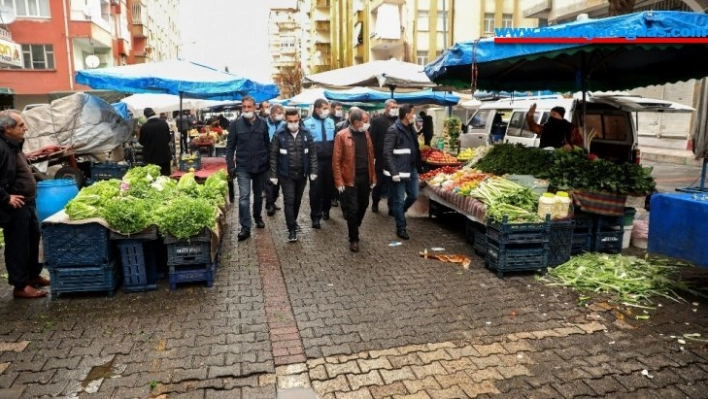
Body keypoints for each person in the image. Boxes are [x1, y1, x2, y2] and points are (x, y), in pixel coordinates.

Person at [0, 110, 48, 299]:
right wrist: (6, 198)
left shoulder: (12, 145)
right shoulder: (1, 148)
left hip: (27, 203)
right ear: (7, 129)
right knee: (18, 245)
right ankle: (20, 285)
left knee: (33, 238)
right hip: (14, 206)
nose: (25, 128)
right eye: (20, 125)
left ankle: (33, 275)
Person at [226, 96, 270, 241]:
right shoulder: (235, 125)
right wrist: (231, 166)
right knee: (244, 197)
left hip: (260, 166)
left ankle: (257, 216)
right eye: (244, 107)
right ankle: (245, 227)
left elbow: (267, 145)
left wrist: (269, 163)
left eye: (249, 107)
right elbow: (230, 147)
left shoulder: (263, 124)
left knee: (258, 195)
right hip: (243, 166)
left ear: (255, 107)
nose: (246, 109)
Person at [270, 109, 318, 243]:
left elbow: (313, 154)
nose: (293, 124)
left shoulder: (306, 133)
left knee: (297, 201)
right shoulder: (279, 134)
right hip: (286, 174)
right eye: (290, 121)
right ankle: (291, 229)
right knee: (289, 201)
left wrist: (313, 171)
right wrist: (273, 174)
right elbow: (273, 155)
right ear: (285, 120)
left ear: (299, 120)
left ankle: (293, 221)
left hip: (302, 174)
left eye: (295, 121)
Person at [332, 109, 376, 252]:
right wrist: (339, 181)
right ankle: (354, 239)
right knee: (352, 209)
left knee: (364, 205)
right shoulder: (342, 136)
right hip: (349, 178)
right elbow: (336, 161)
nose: (367, 124)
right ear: (356, 122)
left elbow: (371, 157)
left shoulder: (366, 134)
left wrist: (373, 176)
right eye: (365, 121)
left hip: (365, 177)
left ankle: (355, 225)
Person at [383, 104, 421, 240]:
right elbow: (387, 152)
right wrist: (394, 173)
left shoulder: (411, 129)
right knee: (398, 200)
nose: (414, 116)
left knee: (414, 195)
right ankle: (401, 227)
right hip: (398, 171)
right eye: (413, 113)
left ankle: (400, 212)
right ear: (407, 115)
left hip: (411, 168)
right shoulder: (393, 130)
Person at [303, 99, 336, 228]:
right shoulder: (306, 123)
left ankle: (326, 210)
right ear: (317, 109)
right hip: (314, 162)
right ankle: (315, 216)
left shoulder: (331, 121)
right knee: (315, 190)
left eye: (327, 108)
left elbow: (334, 139)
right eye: (324, 108)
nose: (326, 110)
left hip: (329, 160)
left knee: (329, 188)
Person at [370, 99, 398, 214]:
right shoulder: (377, 121)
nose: (394, 109)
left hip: (395, 157)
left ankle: (391, 206)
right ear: (386, 107)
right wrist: (374, 156)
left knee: (393, 183)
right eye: (392, 107)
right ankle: (375, 201)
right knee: (379, 182)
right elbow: (372, 139)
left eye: (396, 107)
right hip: (381, 157)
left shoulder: (399, 121)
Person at [138, 107, 173, 176]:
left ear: (145, 116)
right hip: (164, 156)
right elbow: (168, 138)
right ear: (154, 113)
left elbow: (141, 142)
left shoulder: (144, 127)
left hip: (151, 158)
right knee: (166, 178)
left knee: (153, 178)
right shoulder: (164, 123)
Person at [265, 104, 286, 216]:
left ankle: (273, 201)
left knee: (277, 183)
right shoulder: (264, 124)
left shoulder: (284, 124)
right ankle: (269, 205)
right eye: (279, 113)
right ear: (272, 114)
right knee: (269, 181)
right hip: (268, 156)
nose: (281, 115)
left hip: (281, 156)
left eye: (282, 112)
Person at [329, 101, 345, 208]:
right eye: (338, 109)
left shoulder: (342, 120)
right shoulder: (329, 120)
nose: (340, 111)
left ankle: (339, 195)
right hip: (331, 150)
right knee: (332, 175)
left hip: (342, 151)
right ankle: (333, 197)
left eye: (340, 109)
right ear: (332, 108)